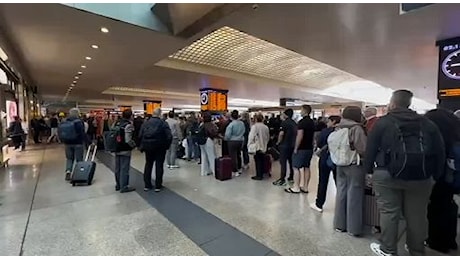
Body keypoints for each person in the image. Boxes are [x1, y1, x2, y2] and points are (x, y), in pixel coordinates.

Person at [365, 90, 445, 256]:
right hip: (421, 176)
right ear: (409, 103)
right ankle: (416, 250)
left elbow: (371, 149)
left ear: (392, 103)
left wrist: (368, 172)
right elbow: (440, 151)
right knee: (417, 214)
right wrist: (435, 175)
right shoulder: (427, 123)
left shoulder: (383, 122)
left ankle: (388, 249)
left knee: (389, 212)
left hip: (387, 174)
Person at [424, 109, 459, 253]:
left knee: (435, 209)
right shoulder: (455, 133)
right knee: (448, 206)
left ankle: (437, 242)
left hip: (438, 176)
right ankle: (450, 240)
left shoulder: (434, 135)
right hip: (453, 177)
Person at [331, 106, 367, 237]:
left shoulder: (338, 128)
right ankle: (353, 228)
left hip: (339, 164)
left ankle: (340, 225)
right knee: (354, 195)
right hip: (354, 165)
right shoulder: (356, 128)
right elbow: (363, 148)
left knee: (341, 192)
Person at [310, 115, 341, 212]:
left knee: (323, 181)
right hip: (338, 159)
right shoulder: (342, 132)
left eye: (329, 121)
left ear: (333, 121)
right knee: (339, 183)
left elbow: (319, 144)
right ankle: (341, 205)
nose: (327, 123)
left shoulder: (325, 132)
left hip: (325, 158)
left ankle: (319, 204)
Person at [139, 108, 172, 192]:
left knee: (148, 164)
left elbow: (140, 135)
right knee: (159, 165)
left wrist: (142, 146)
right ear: (160, 114)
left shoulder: (145, 123)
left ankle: (147, 185)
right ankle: (158, 185)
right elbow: (169, 136)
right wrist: (166, 146)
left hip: (148, 147)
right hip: (160, 147)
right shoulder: (163, 123)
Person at [285, 105, 315, 194]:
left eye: (301, 110)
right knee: (307, 167)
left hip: (301, 148)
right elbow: (313, 136)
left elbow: (300, 135)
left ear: (305, 111)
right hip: (309, 148)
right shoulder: (312, 122)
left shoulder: (302, 122)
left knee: (296, 167)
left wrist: (296, 147)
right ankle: (305, 187)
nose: (300, 112)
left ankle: (296, 187)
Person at [113, 109, 136, 193]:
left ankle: (118, 185)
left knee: (117, 168)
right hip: (125, 149)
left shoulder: (116, 123)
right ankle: (124, 186)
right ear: (130, 116)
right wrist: (134, 145)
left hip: (116, 147)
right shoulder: (128, 125)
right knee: (124, 169)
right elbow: (128, 140)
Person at [60, 108, 86, 181]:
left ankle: (68, 171)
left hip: (67, 143)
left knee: (69, 159)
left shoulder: (65, 121)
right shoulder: (79, 122)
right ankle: (79, 174)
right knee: (79, 160)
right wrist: (88, 142)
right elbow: (82, 133)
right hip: (78, 143)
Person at [273, 109, 297, 186]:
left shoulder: (284, 123)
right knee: (291, 162)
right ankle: (291, 177)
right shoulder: (294, 123)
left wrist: (278, 142)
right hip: (292, 145)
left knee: (283, 163)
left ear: (286, 115)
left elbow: (281, 134)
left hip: (284, 145)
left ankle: (282, 179)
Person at [248, 113, 270, 180]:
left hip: (257, 146)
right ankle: (263, 172)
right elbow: (268, 137)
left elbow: (251, 137)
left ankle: (259, 175)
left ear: (256, 119)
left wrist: (249, 144)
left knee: (257, 161)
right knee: (262, 160)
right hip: (264, 145)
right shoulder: (266, 127)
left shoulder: (254, 127)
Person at [225, 110, 246, 177]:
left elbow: (227, 135)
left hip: (232, 141)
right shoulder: (242, 123)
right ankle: (239, 168)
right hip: (240, 141)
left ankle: (235, 170)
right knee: (238, 154)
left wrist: (226, 139)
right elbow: (244, 131)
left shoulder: (231, 125)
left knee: (233, 156)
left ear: (231, 117)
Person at [199, 112, 219, 176]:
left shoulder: (202, 125)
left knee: (203, 156)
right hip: (209, 140)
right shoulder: (211, 125)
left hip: (201, 142)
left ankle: (204, 171)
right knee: (211, 156)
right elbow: (214, 133)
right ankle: (214, 171)